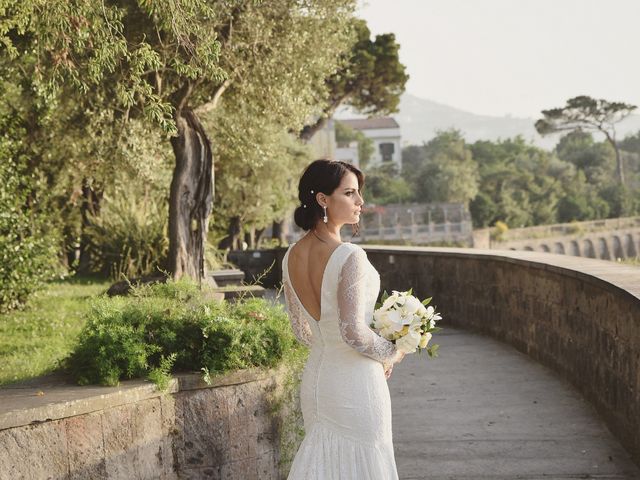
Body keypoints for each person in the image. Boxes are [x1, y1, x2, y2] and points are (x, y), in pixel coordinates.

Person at [282, 159, 405, 479]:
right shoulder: (350, 255)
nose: (360, 202)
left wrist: (330, 344)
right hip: (355, 383)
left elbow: (302, 330)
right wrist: (393, 351)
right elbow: (353, 332)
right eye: (350, 193)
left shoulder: (291, 255)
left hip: (318, 381)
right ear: (323, 199)